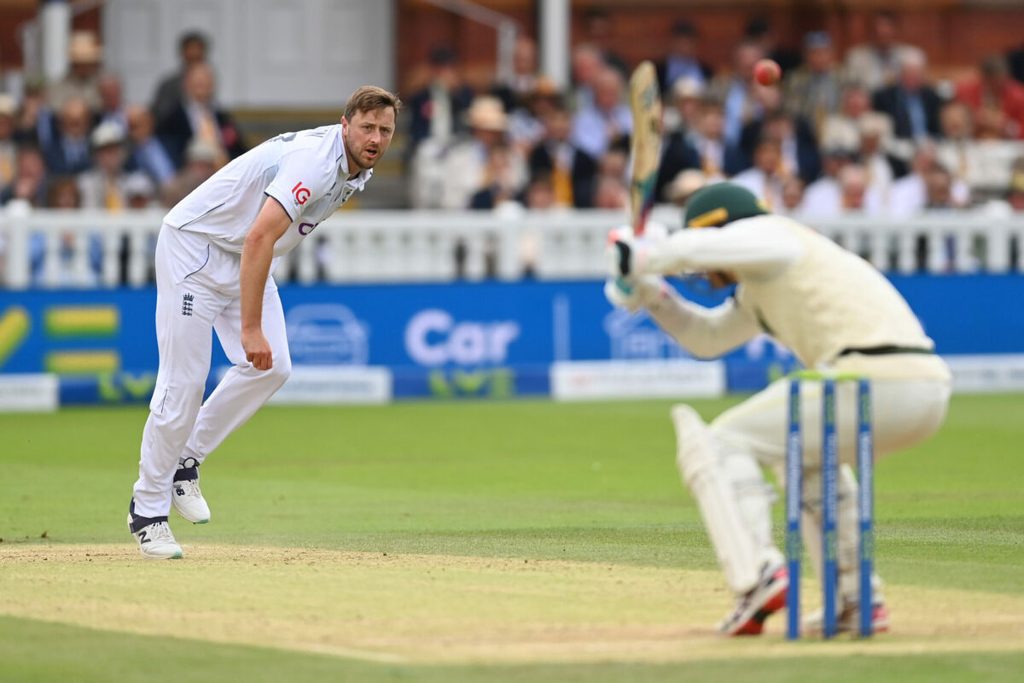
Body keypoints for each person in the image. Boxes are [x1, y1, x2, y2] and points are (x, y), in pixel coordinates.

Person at [605, 182, 951, 635]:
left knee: (719, 442)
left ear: (723, 228)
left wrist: (648, 252)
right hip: (916, 388)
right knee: (803, 460)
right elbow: (707, 339)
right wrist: (651, 292)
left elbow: (705, 245)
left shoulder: (776, 236)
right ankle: (854, 597)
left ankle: (758, 576)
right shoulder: (761, 280)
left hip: (873, 375)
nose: (705, 271)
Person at [127, 86, 401, 559]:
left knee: (272, 368)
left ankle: (184, 460)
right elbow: (259, 237)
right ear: (344, 124)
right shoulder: (316, 162)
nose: (375, 137)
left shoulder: (359, 168)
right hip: (197, 248)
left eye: (385, 130)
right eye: (367, 127)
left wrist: (253, 326)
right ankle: (147, 510)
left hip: (242, 256)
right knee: (184, 384)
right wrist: (250, 329)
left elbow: (261, 242)